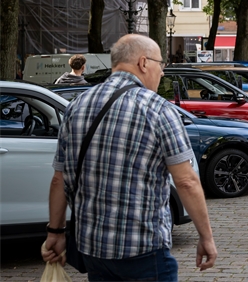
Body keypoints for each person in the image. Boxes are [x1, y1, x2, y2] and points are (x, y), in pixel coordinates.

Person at [42, 35, 216, 280]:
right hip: (143, 248)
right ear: (143, 63)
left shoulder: (77, 105)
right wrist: (206, 237)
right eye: (160, 64)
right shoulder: (158, 109)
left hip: (93, 248)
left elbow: (59, 179)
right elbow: (186, 181)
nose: (162, 72)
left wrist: (55, 232)